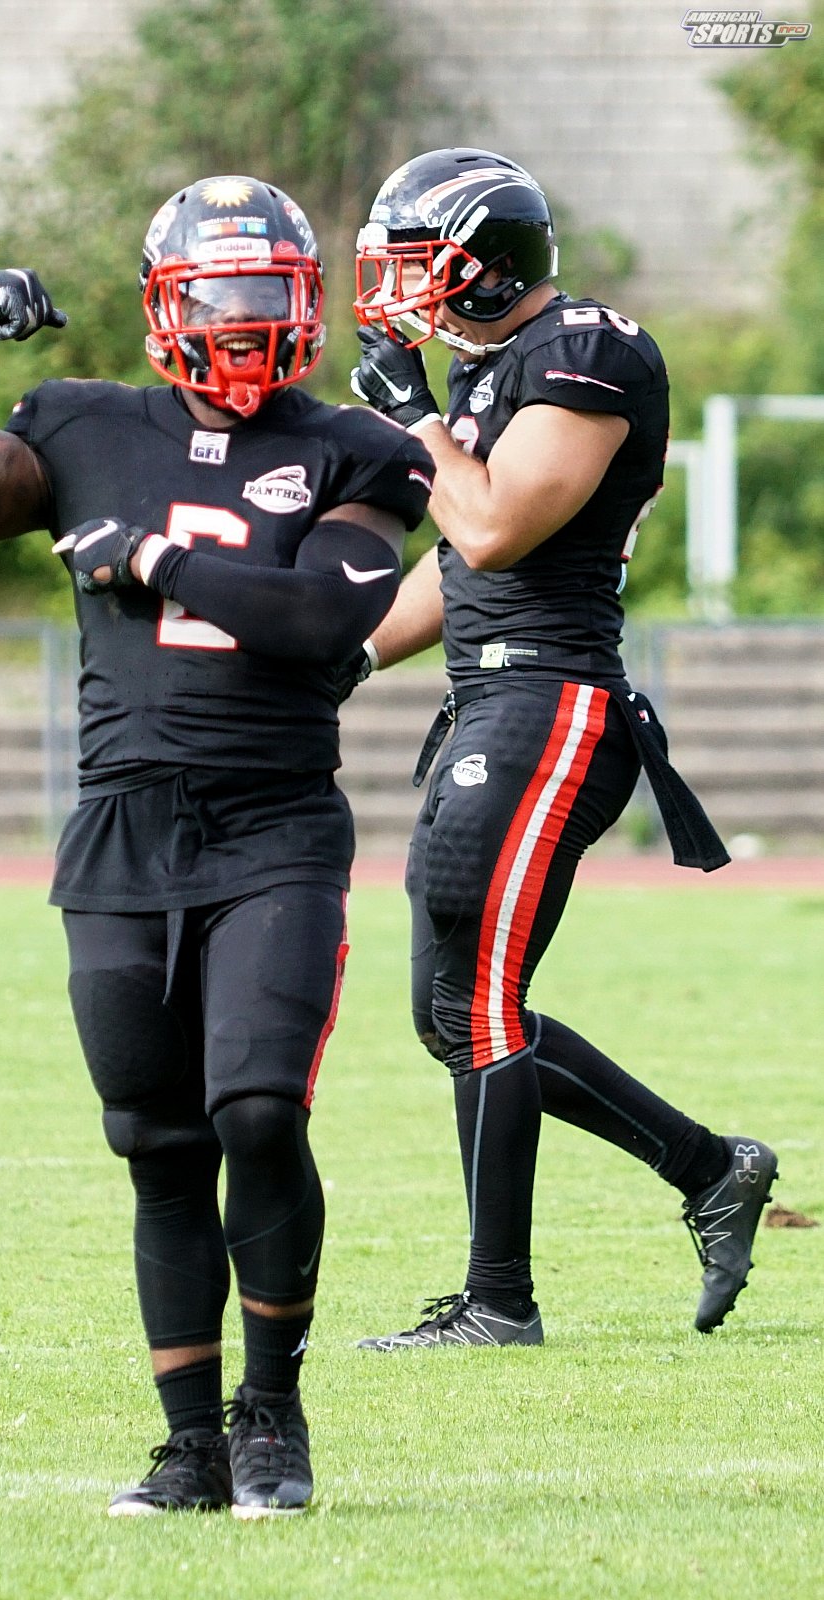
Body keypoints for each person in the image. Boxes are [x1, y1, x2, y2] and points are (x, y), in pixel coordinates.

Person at [0, 175, 433, 1513]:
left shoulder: (353, 446)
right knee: (157, 1143)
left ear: (305, 303)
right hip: (122, 828)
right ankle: (188, 1443)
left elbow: (322, 619)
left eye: (265, 294)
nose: (242, 322)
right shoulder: (83, 425)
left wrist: (158, 559)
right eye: (218, 296)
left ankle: (270, 1412)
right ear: (167, 307)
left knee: (257, 1109)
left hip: (273, 824)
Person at [343, 147, 777, 1350]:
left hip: (553, 706)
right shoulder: (491, 369)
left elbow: (489, 529)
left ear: (488, 260)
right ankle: (710, 1168)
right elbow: (455, 569)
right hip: (487, 703)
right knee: (451, 1011)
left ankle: (498, 1302)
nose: (400, 287)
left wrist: (409, 416)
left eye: (420, 261)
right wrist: (345, 657)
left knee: (478, 1003)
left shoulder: (585, 349)